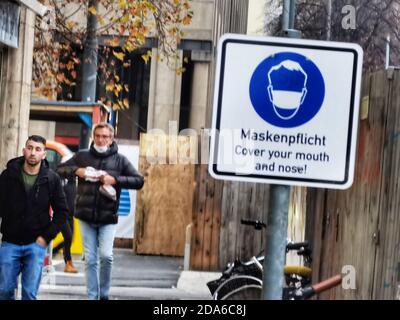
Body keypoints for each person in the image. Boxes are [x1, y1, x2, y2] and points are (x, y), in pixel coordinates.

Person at [57, 123, 144, 300]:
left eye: (105, 136)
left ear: (111, 139)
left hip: (108, 217)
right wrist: (77, 171)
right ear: (93, 137)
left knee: (106, 256)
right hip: (85, 216)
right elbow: (59, 170)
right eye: (97, 136)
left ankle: (103, 295)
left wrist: (116, 180)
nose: (101, 139)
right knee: (90, 259)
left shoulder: (120, 160)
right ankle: (92, 296)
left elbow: (139, 181)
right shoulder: (82, 156)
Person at [0, 135, 68, 300]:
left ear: (44, 154)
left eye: (38, 149)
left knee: (29, 294)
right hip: (10, 242)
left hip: (36, 244)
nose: (33, 153)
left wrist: (46, 237)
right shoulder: (8, 175)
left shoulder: (51, 179)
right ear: (24, 150)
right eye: (30, 148)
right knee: (5, 291)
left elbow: (62, 212)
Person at [59, 176, 78, 273]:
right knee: (68, 237)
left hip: (71, 216)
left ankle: (68, 263)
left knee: (70, 239)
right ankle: (68, 262)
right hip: (63, 215)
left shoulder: (75, 183)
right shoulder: (63, 182)